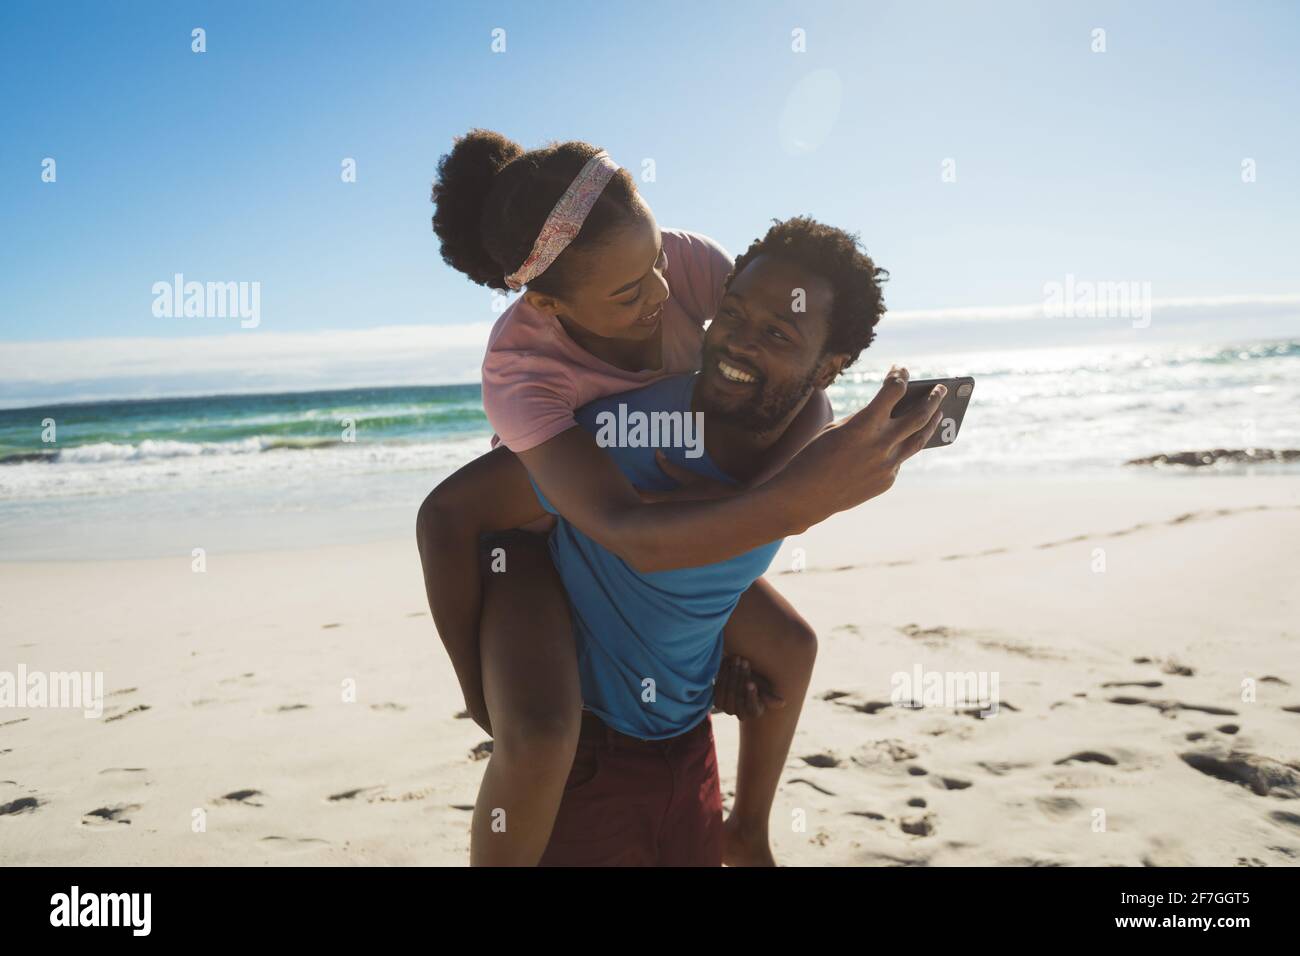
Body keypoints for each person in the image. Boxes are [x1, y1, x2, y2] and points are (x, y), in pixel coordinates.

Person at [419, 130, 931, 865]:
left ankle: (747, 828)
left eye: (657, 260)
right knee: (537, 736)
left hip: (656, 499)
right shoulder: (521, 367)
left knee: (789, 647)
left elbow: (770, 386)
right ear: (553, 303)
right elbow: (617, 530)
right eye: (631, 291)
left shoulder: (695, 267)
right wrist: (476, 687)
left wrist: (704, 626)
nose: (665, 294)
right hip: (542, 524)